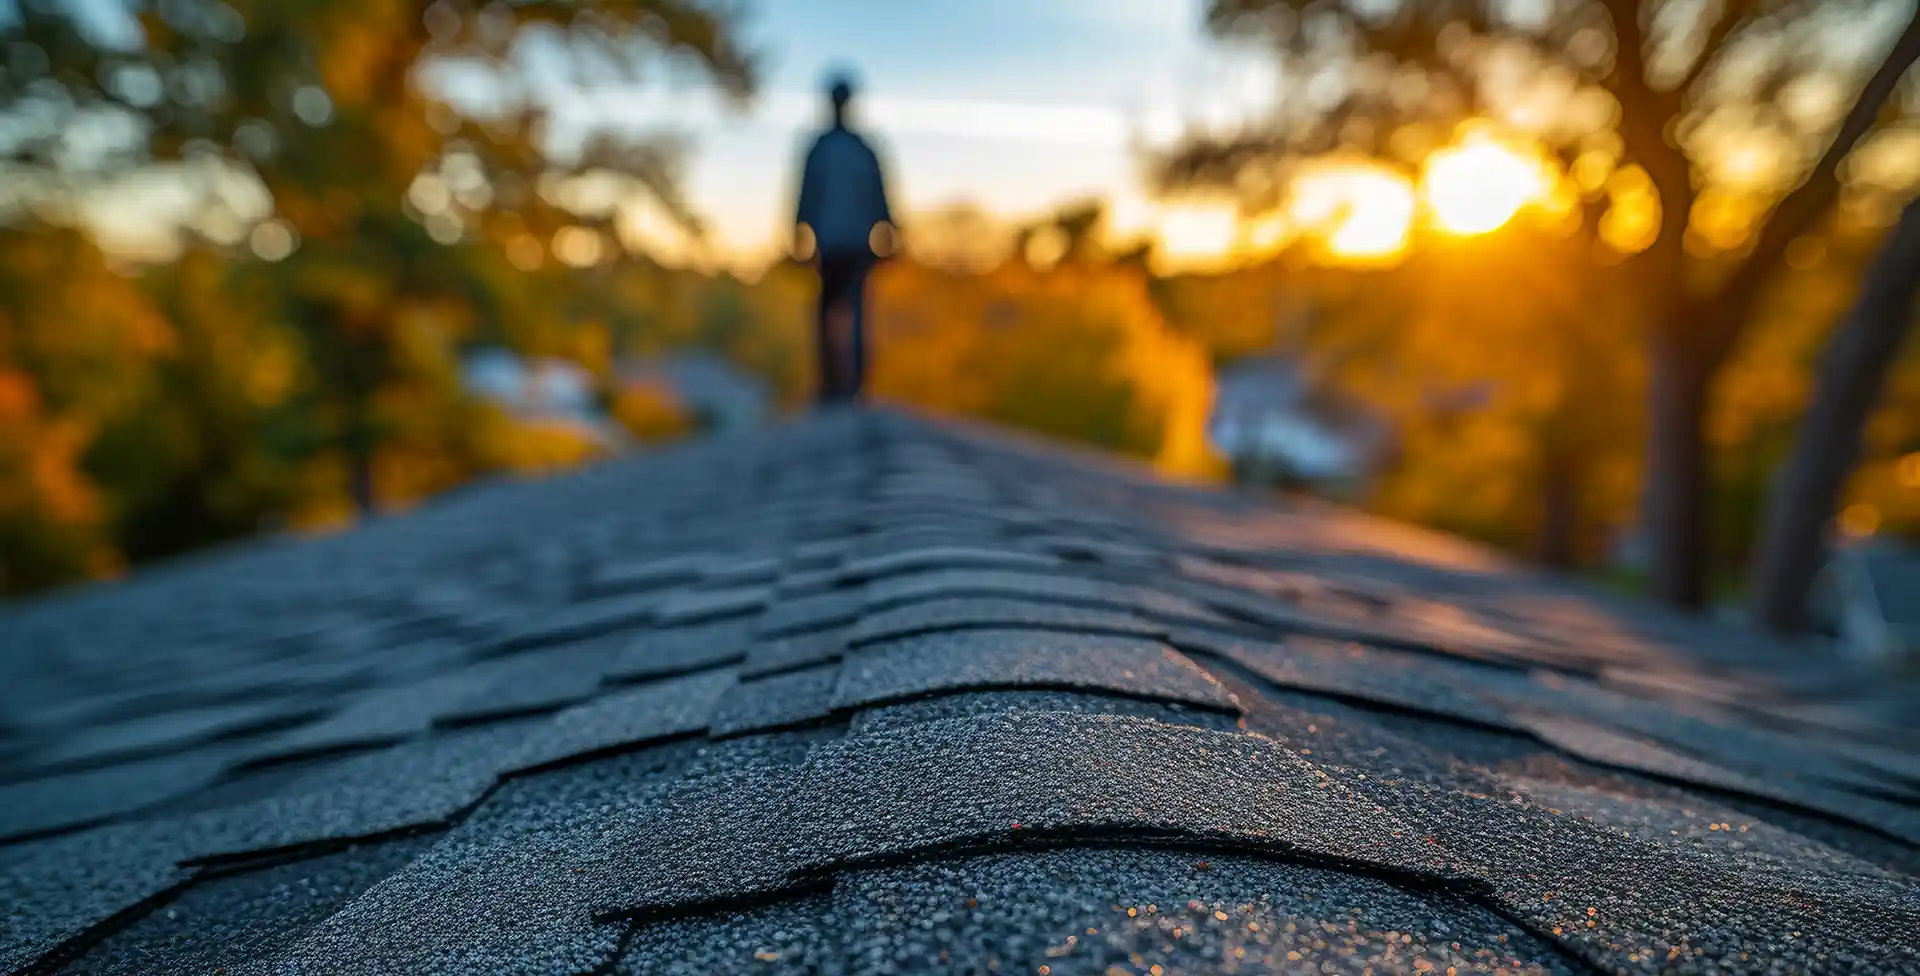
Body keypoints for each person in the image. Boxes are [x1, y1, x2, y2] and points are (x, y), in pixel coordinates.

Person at [794, 71, 894, 404]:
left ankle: (847, 387)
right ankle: (837, 386)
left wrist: (888, 234)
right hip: (838, 245)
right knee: (837, 313)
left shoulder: (834, 148)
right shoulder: (846, 148)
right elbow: (805, 198)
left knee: (845, 313)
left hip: (846, 244)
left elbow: (880, 198)